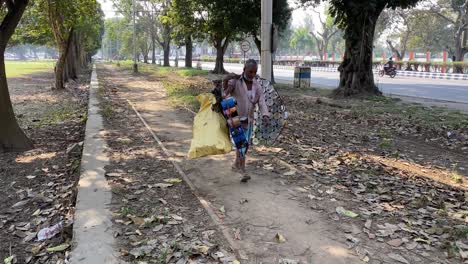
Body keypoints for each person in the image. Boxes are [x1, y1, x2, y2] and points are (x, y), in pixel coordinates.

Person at [223, 59, 270, 182]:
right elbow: (225, 94)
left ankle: (236, 164)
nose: (252, 74)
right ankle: (242, 169)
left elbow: (262, 101)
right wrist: (227, 84)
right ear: (244, 70)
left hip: (248, 120)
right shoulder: (236, 82)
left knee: (245, 144)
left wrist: (265, 114)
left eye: (254, 72)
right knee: (241, 144)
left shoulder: (257, 85)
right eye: (250, 72)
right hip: (235, 117)